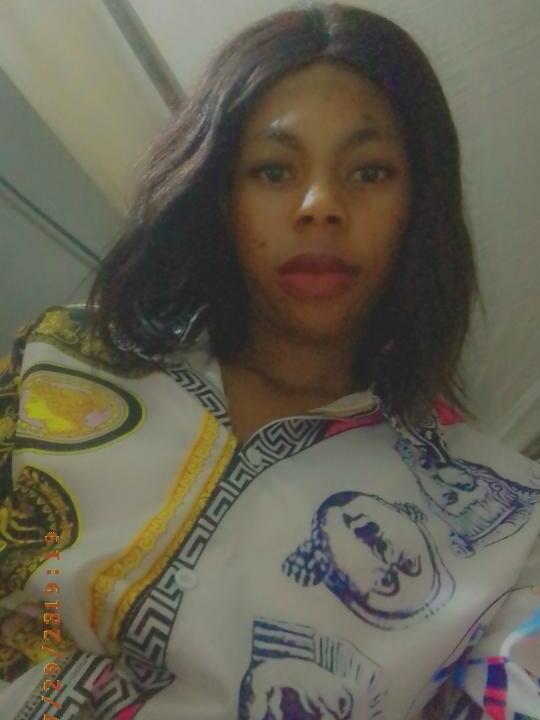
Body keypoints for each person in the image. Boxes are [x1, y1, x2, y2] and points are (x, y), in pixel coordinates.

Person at [0, 2, 538, 718]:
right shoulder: (63, 360)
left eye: (369, 171)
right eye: (275, 170)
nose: (320, 204)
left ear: (420, 203)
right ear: (220, 193)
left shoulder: (501, 526)